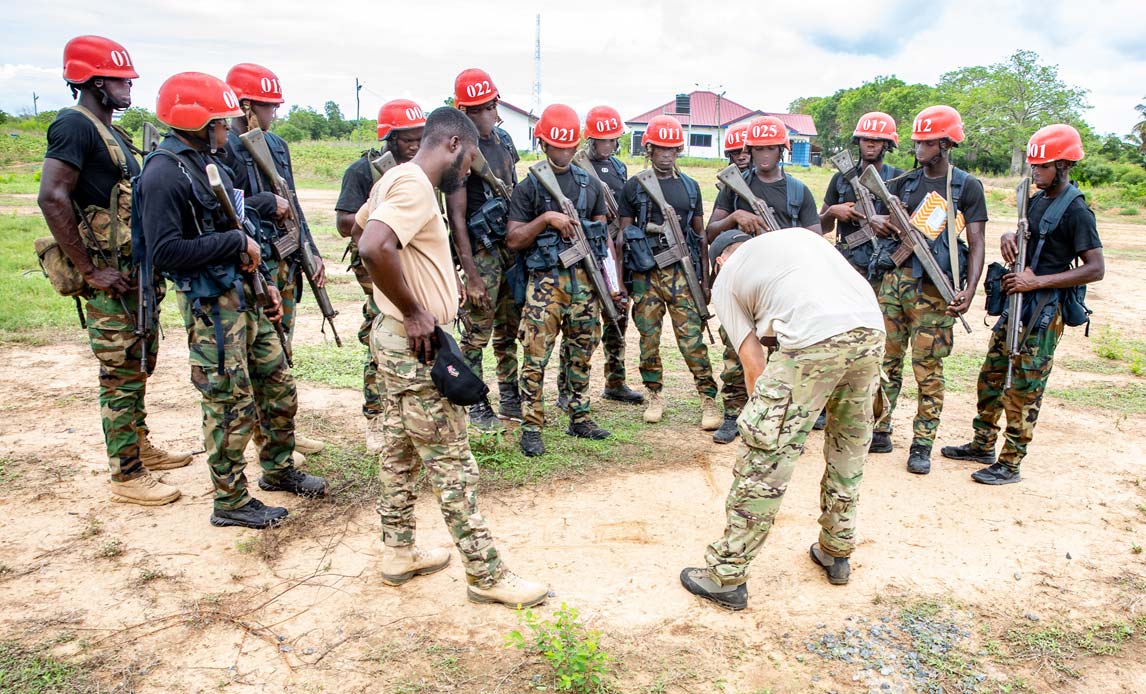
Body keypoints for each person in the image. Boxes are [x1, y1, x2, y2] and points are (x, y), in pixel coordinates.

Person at [357, 105, 548, 607]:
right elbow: (373, 246)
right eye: (468, 162)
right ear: (453, 144)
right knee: (453, 462)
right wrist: (414, 309)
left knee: (399, 449)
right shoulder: (416, 185)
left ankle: (399, 550)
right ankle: (486, 574)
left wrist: (413, 291)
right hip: (416, 345)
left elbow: (360, 227)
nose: (468, 172)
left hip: (395, 339)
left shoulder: (392, 177)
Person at [138, 72, 327, 529]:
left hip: (248, 296)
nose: (227, 129)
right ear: (198, 124)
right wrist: (234, 244)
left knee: (277, 383)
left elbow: (242, 225)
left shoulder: (211, 163)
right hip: (212, 309)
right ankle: (230, 500)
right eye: (220, 122)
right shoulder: (163, 173)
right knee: (228, 402)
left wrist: (264, 285)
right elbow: (165, 252)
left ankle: (278, 468)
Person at [680, 228, 886, 611]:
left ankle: (727, 574)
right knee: (848, 449)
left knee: (764, 459)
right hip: (871, 331)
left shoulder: (726, 278)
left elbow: (753, 365)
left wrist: (773, 427)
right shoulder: (793, 242)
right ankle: (836, 551)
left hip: (814, 337)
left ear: (719, 260)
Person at [37, 35, 190, 506]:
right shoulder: (73, 125)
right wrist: (89, 270)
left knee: (139, 363)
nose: (129, 87)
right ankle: (126, 474)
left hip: (133, 272)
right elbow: (52, 196)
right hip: (111, 275)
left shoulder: (112, 132)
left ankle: (138, 447)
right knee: (120, 372)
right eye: (120, 80)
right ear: (94, 81)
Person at [941, 124, 1104, 485]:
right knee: (992, 375)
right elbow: (1029, 233)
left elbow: (1096, 268)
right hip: (1017, 301)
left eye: (1042, 166)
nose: (1035, 172)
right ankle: (982, 444)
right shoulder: (1037, 199)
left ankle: (1010, 462)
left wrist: (1037, 282)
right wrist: (1009, 235)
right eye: (1033, 165)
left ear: (1063, 165)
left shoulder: (1077, 211)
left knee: (1025, 386)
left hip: (1043, 309)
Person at [870, 105, 986, 475]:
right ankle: (880, 429)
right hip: (894, 284)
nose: (920, 149)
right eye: (918, 142)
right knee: (885, 363)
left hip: (934, 290)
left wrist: (970, 289)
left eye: (929, 142)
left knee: (928, 370)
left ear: (947, 144)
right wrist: (881, 221)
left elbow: (977, 242)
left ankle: (922, 443)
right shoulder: (904, 183)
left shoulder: (965, 186)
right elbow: (880, 224)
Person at [221, 63, 327, 458]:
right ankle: (262, 438)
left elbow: (293, 200)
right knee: (259, 354)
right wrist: (264, 203)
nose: (274, 113)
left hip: (286, 258)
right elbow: (223, 208)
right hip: (254, 264)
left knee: (282, 349)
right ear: (245, 105)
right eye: (268, 106)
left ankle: (282, 432)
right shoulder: (224, 146)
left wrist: (310, 249)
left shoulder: (276, 145)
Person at [506, 104, 618, 457]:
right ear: (543, 144)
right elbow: (513, 239)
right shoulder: (529, 187)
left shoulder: (591, 185)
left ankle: (579, 416)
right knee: (536, 356)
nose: (565, 153)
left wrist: (613, 285)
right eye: (558, 146)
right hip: (546, 284)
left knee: (581, 351)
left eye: (570, 146)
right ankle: (531, 426)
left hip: (585, 282)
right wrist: (546, 219)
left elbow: (603, 239)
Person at [618, 114, 720, 431]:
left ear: (678, 150)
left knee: (691, 341)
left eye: (671, 149)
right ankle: (654, 394)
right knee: (648, 339)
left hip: (681, 274)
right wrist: (621, 282)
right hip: (646, 274)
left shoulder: (690, 187)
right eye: (660, 148)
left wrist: (704, 282)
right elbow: (623, 236)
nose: (666, 155)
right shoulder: (635, 186)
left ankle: (707, 397)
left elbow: (700, 237)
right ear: (649, 149)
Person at [333, 99, 425, 449]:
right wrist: (379, 207)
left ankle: (407, 415)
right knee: (380, 329)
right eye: (407, 140)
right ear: (390, 138)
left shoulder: (418, 171)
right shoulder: (363, 171)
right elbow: (344, 224)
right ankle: (375, 416)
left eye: (419, 139)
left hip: (410, 259)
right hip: (376, 262)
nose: (415, 146)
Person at [446, 68, 522, 432]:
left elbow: (515, 188)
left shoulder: (504, 140)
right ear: (463, 111)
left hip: (509, 246)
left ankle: (510, 395)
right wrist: (471, 275)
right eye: (480, 109)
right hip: (481, 252)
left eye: (491, 106)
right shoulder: (459, 150)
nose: (490, 114)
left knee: (509, 328)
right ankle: (475, 402)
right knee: (477, 332)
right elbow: (456, 219)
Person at [555, 105, 643, 410]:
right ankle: (566, 388)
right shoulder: (576, 165)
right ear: (590, 139)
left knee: (618, 313)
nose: (607, 145)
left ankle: (615, 381)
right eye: (602, 140)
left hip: (615, 250)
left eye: (612, 140)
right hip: (587, 248)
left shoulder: (619, 167)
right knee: (579, 323)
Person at [707, 120, 754, 445]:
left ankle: (770, 415)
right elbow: (711, 230)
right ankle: (733, 413)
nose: (742, 156)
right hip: (738, 275)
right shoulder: (730, 187)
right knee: (734, 343)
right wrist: (735, 219)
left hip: (773, 278)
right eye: (735, 151)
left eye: (746, 150)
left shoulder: (794, 188)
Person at [819, 111, 904, 290]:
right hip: (847, 265)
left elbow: (910, 227)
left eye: (877, 140)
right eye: (865, 139)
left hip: (885, 266)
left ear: (887, 144)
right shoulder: (841, 179)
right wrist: (832, 212)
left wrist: (887, 221)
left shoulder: (899, 179)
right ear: (858, 141)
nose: (870, 144)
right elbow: (821, 228)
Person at [705, 115, 821, 238]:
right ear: (750, 151)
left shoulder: (798, 191)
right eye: (759, 149)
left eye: (771, 148)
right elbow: (710, 234)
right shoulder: (734, 185)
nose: (765, 155)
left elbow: (815, 239)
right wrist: (734, 217)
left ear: (781, 151)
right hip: (745, 249)